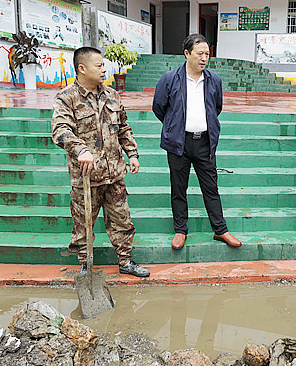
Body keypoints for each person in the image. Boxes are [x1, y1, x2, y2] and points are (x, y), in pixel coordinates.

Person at [51, 46, 149, 277]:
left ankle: (125, 261)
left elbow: (123, 127)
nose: (104, 69)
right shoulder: (67, 98)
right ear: (82, 68)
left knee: (122, 221)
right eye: (100, 65)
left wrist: (132, 153)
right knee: (83, 225)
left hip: (114, 173)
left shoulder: (112, 95)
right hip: (86, 177)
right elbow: (60, 130)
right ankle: (87, 266)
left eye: (104, 65)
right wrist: (81, 149)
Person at [152, 34, 241, 250]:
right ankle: (180, 230)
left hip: (204, 143)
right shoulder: (169, 79)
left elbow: (216, 108)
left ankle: (220, 230)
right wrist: (175, 126)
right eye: (199, 53)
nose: (204, 58)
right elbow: (159, 107)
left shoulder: (214, 80)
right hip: (178, 144)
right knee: (178, 188)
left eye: (207, 54)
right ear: (187, 54)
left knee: (211, 188)